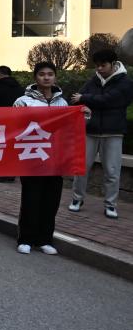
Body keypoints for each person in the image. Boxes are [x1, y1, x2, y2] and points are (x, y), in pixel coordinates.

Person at [69, 49, 133, 219]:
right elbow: (75, 99)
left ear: (113, 64)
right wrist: (84, 102)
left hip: (113, 133)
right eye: (97, 65)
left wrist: (85, 98)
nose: (99, 69)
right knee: (81, 168)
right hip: (89, 131)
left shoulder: (126, 82)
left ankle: (110, 205)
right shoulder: (93, 81)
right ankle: (77, 199)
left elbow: (111, 100)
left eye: (103, 65)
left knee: (112, 171)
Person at [13, 62, 68, 256]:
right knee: (31, 199)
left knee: (51, 201)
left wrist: (84, 116)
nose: (46, 77)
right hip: (32, 156)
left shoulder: (62, 103)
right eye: (42, 74)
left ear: (55, 77)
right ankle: (26, 239)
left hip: (55, 159)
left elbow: (68, 128)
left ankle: (45, 239)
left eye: (50, 74)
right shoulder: (23, 101)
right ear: (35, 77)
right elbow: (14, 126)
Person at [0, 66, 25, 183]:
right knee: (12, 147)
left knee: (2, 147)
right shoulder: (19, 87)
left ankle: (4, 173)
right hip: (16, 122)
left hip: (0, 122)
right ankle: (12, 172)